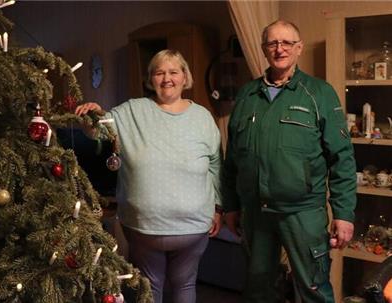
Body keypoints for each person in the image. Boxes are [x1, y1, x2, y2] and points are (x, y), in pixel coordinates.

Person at [222, 20, 356, 303]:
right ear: (263, 49)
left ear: (298, 48)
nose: (279, 49)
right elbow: (232, 158)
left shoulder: (319, 93)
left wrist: (343, 214)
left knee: (313, 289)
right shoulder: (247, 95)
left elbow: (342, 158)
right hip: (256, 213)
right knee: (258, 291)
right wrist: (232, 206)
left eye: (286, 43)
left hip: (303, 213)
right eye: (272, 43)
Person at [75, 49, 223, 303]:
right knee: (148, 289)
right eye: (159, 72)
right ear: (150, 79)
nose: (167, 78)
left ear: (185, 77)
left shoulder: (203, 118)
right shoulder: (132, 110)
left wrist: (218, 207)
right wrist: (91, 116)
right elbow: (99, 131)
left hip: (194, 226)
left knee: (185, 286)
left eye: (174, 72)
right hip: (144, 226)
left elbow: (215, 165)